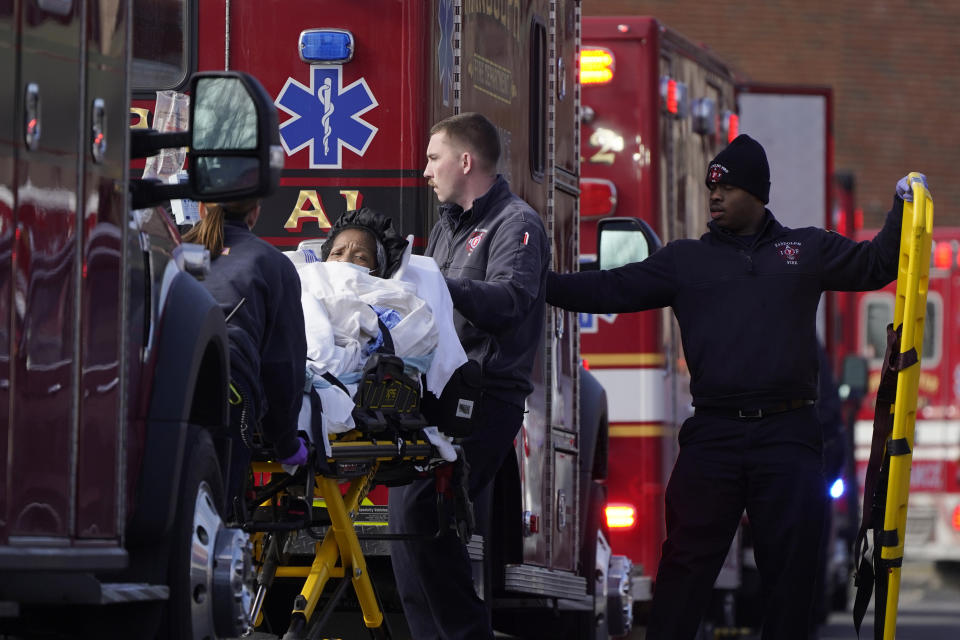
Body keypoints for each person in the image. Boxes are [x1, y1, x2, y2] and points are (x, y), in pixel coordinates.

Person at [545, 134, 923, 640]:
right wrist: (540, 284)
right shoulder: (685, 261)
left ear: (758, 193)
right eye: (710, 188)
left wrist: (904, 205)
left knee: (791, 582)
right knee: (683, 572)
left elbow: (877, 264)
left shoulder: (805, 249)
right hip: (714, 437)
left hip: (789, 435)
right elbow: (611, 287)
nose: (715, 196)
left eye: (726, 187)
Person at [387, 112, 550, 639]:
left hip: (486, 399)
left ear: (465, 160)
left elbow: (510, 302)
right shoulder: (447, 228)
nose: (425, 171)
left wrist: (437, 282)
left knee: (423, 512)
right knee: (407, 521)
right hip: (440, 394)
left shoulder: (516, 225)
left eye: (434, 158)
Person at [182, 198, 308, 502]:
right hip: (226, 392)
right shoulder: (269, 262)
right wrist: (286, 444)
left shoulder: (178, 253)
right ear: (255, 212)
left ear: (200, 208)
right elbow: (283, 366)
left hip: (162, 388)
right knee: (215, 513)